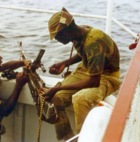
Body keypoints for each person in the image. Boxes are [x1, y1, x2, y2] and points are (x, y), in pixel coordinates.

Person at [43, 8, 121, 141]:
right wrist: (65, 63)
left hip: (106, 76)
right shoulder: (80, 33)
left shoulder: (93, 40)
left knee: (80, 99)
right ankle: (66, 137)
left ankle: (84, 139)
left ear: (66, 32)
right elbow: (85, 54)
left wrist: (58, 87)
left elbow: (94, 82)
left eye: (57, 36)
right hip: (86, 70)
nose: (56, 39)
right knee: (54, 98)